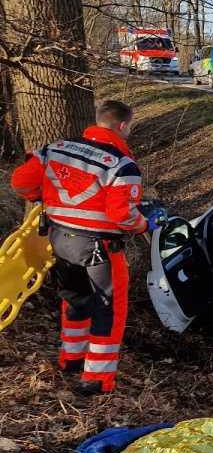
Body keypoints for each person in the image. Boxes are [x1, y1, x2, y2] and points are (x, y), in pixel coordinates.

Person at [10, 100, 161, 395]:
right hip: (99, 248)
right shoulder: (121, 164)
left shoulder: (55, 148)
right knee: (108, 309)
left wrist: (45, 198)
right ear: (122, 126)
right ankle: (96, 378)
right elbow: (123, 216)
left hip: (58, 239)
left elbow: (20, 182)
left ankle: (71, 358)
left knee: (75, 299)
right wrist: (145, 225)